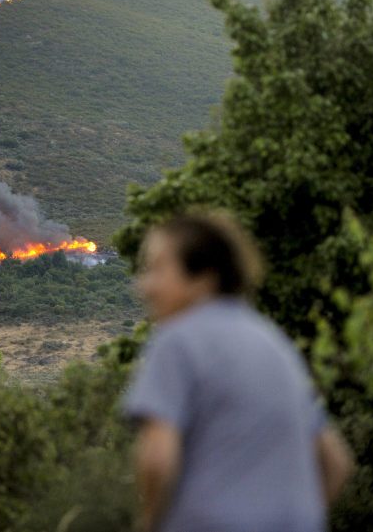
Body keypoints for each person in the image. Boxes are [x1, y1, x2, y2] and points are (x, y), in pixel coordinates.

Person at [123, 211, 355, 532]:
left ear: (203, 278)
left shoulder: (178, 340)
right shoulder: (273, 342)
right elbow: (336, 463)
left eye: (157, 269)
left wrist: (150, 525)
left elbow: (157, 458)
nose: (143, 286)